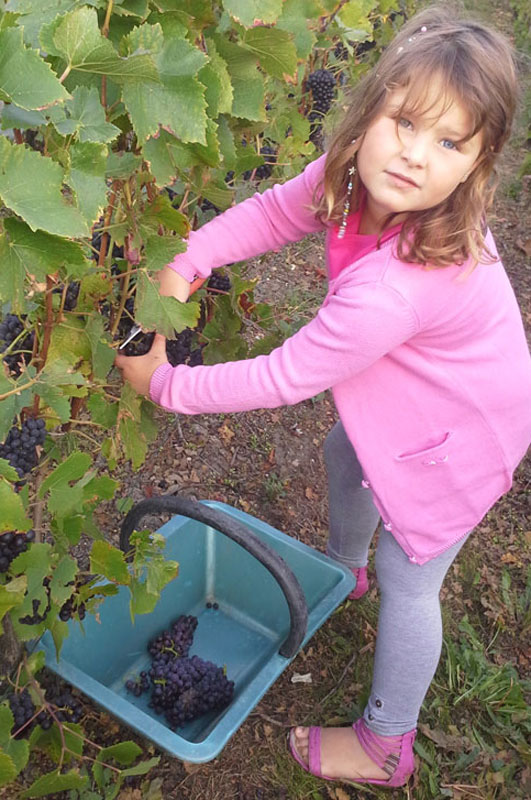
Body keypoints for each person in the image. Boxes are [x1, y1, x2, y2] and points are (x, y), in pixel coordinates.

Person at [115, 4, 531, 789]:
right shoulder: (351, 180)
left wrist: (165, 385)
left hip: (463, 437)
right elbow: (276, 212)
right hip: (424, 398)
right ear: (369, 107)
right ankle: (343, 569)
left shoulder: (396, 288)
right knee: (349, 452)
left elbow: (286, 375)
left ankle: (384, 745)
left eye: (449, 143)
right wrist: (190, 257)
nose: (414, 155)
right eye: (404, 121)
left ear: (477, 166)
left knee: (412, 576)